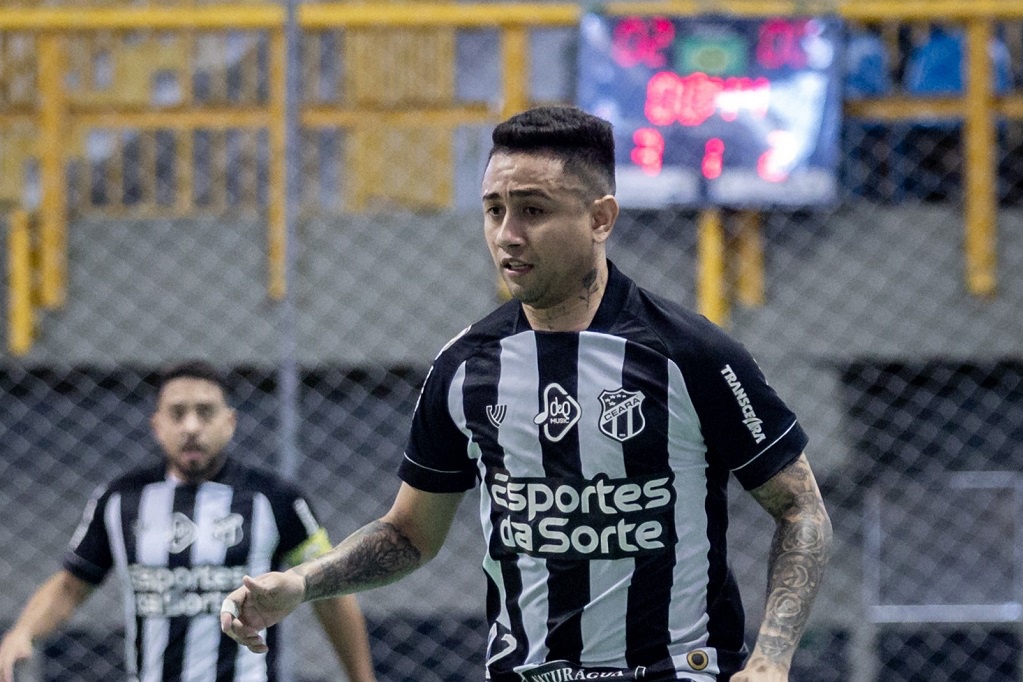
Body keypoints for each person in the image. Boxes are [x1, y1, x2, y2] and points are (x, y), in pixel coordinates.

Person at [219, 106, 833, 681]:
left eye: (533, 210)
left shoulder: (691, 354)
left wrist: (771, 659)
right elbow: (408, 535)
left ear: (600, 219)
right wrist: (302, 583)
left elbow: (800, 510)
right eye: (494, 210)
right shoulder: (465, 367)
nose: (507, 234)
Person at [0, 360, 376, 682]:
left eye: (205, 412)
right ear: (157, 425)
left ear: (229, 422)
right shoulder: (119, 500)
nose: (191, 426)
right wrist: (23, 633)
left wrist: (362, 679)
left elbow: (331, 593)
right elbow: (70, 586)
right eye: (178, 413)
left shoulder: (276, 499)